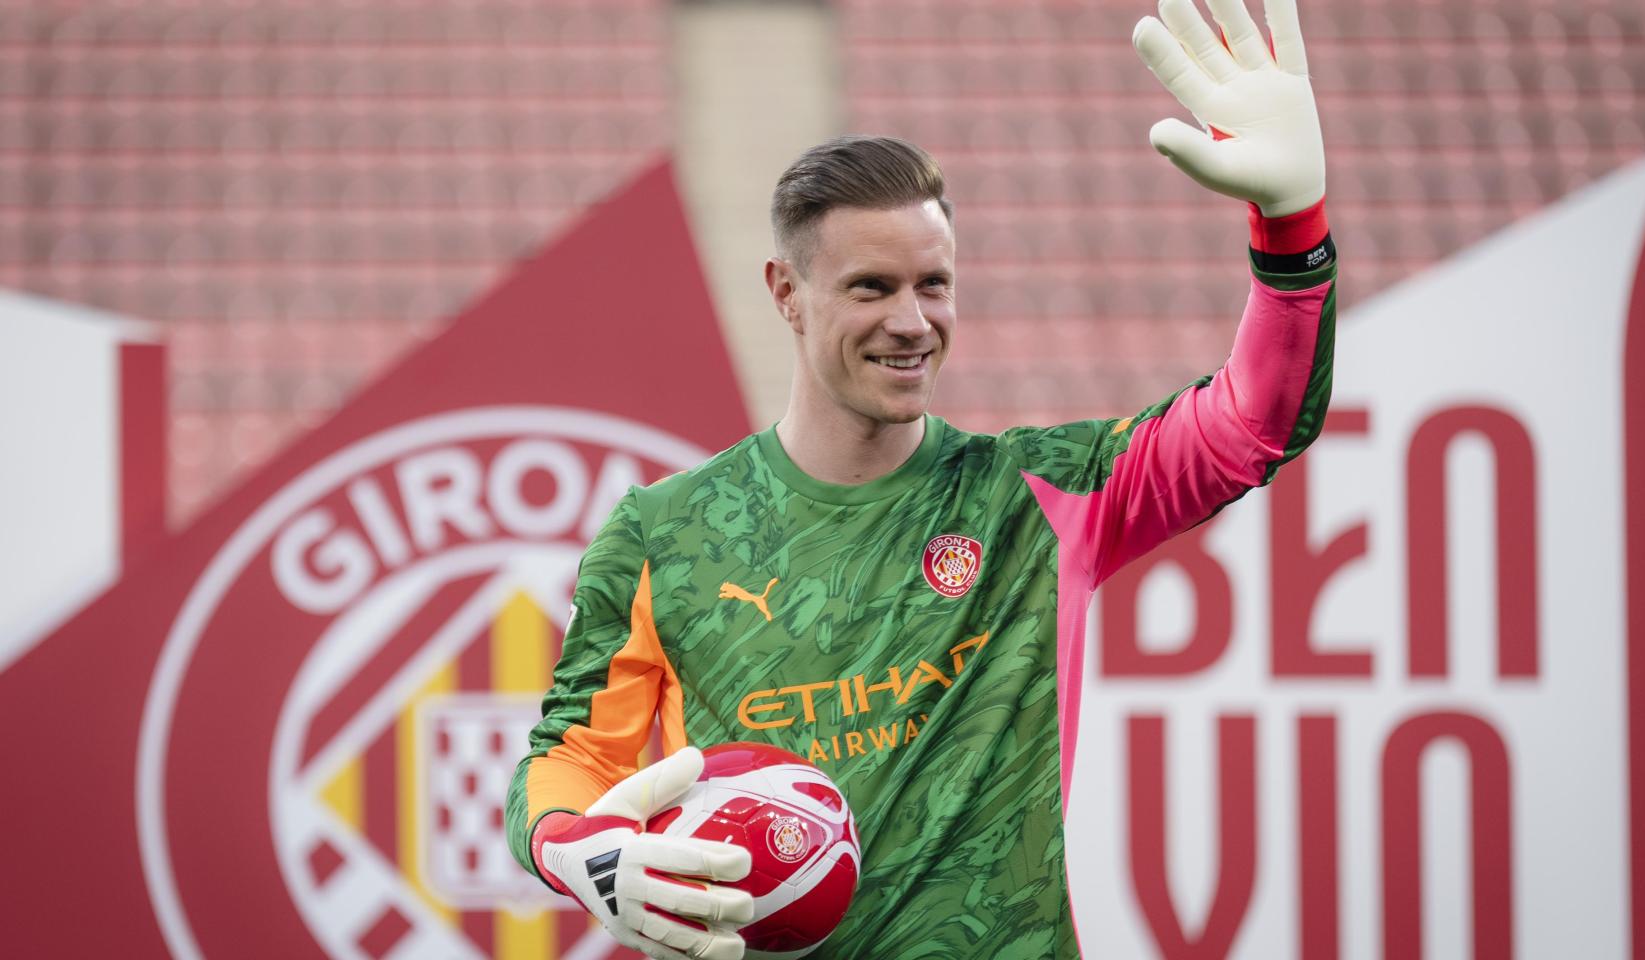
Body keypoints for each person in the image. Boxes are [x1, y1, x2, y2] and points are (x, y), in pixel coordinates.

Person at [505, 0, 1333, 956]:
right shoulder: (664, 532)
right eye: (871, 287)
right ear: (786, 292)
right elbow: (570, 755)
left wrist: (1292, 229)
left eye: (932, 285)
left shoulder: (1039, 494)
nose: (912, 321)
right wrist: (583, 848)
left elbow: (1255, 425)